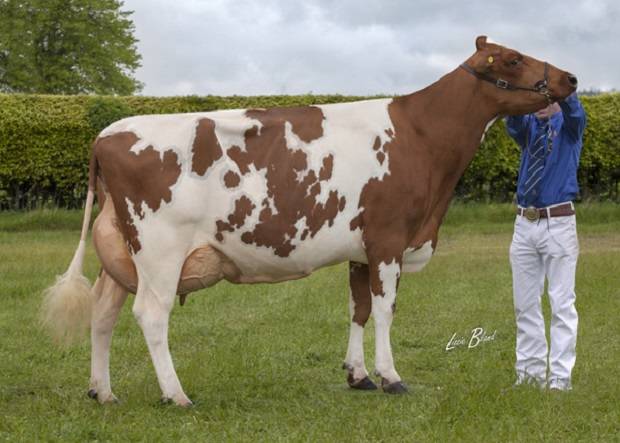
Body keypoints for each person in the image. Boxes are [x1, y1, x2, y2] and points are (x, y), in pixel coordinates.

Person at [505, 93, 587, 391]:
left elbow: (575, 112)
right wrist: (519, 99)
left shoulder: (569, 124)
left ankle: (559, 380)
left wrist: (565, 91)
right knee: (525, 305)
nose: (538, 104)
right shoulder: (528, 125)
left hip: (558, 222)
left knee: (561, 303)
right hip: (524, 224)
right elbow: (512, 123)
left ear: (558, 100)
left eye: (545, 98)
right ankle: (529, 375)